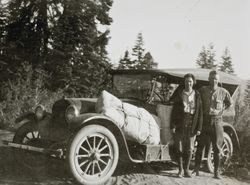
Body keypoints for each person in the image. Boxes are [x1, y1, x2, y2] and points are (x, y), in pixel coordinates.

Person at [193, 70, 233, 179]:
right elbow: (197, 101)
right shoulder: (203, 90)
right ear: (208, 79)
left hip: (217, 122)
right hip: (205, 121)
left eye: (215, 78)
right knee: (200, 145)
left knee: (217, 148)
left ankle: (216, 172)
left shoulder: (223, 92)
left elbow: (229, 104)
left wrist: (221, 111)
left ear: (218, 80)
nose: (213, 81)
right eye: (211, 78)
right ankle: (196, 169)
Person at [170, 73, 203, 178]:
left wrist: (199, 128)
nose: (188, 83)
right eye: (186, 81)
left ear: (193, 83)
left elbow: (200, 113)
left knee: (189, 149)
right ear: (184, 83)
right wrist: (173, 126)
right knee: (179, 148)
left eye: (190, 81)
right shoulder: (179, 94)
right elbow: (174, 112)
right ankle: (179, 170)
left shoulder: (197, 95)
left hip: (192, 124)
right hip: (180, 124)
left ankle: (186, 170)